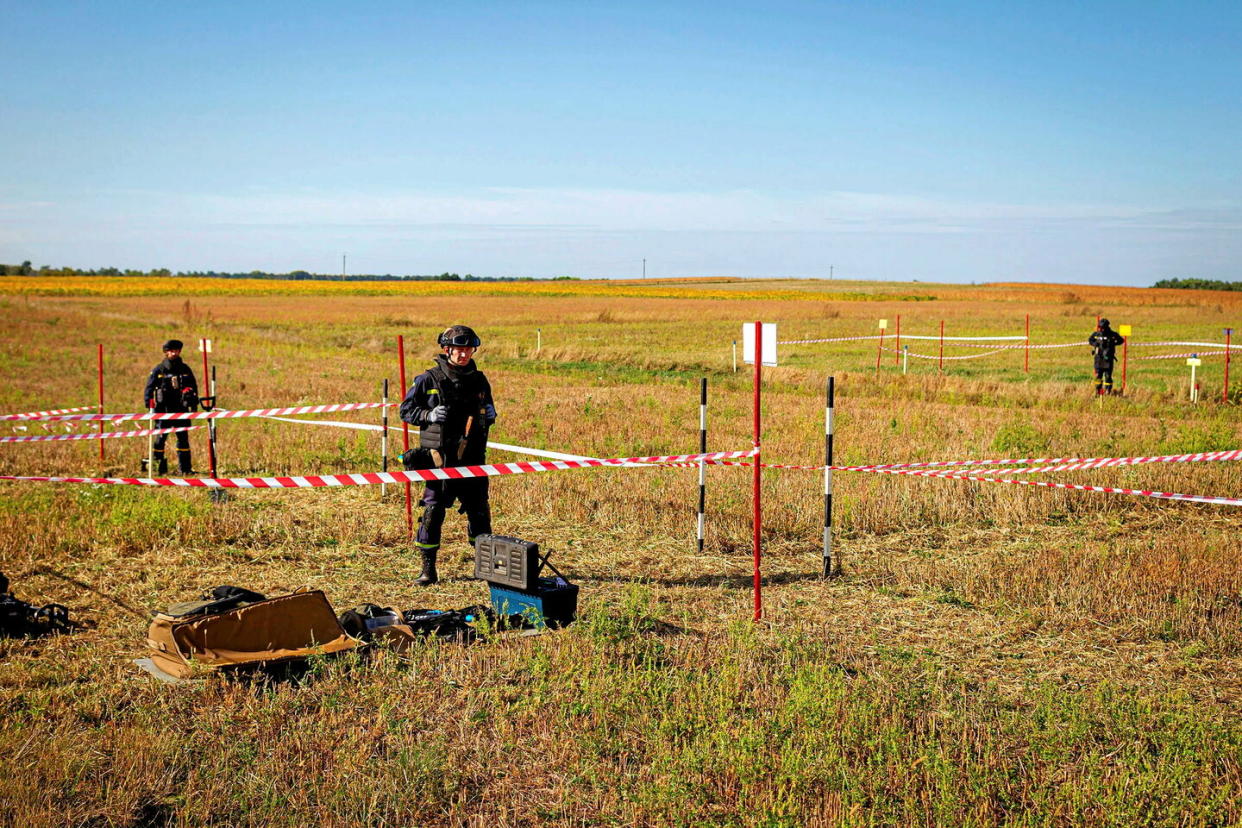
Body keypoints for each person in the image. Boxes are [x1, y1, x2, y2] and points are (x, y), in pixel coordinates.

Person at [400, 325, 497, 586]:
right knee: (433, 513)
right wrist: (427, 415)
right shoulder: (428, 379)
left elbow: (488, 408)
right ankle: (428, 569)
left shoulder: (479, 380)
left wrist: (490, 415)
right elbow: (406, 411)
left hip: (473, 459)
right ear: (447, 350)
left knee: (479, 512)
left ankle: (484, 567)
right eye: (458, 350)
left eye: (468, 349)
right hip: (439, 460)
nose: (464, 355)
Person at [143, 339, 199, 474]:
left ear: (179, 351)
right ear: (166, 352)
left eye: (176, 351)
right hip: (163, 411)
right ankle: (157, 468)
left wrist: (194, 403)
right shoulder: (159, 370)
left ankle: (185, 469)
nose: (174, 353)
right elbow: (149, 389)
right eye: (171, 351)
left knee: (183, 439)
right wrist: (149, 405)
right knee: (160, 439)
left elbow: (193, 386)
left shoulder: (185, 369)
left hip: (181, 410)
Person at [1088, 318, 1126, 395]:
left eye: (1102, 328)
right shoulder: (1096, 334)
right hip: (1098, 359)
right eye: (1100, 327)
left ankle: (1108, 391)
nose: (1101, 329)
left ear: (1107, 327)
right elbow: (1090, 340)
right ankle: (1098, 391)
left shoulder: (1112, 334)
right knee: (1098, 376)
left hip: (1108, 359)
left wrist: (1113, 344)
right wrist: (1095, 344)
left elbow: (1121, 340)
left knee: (1108, 376)